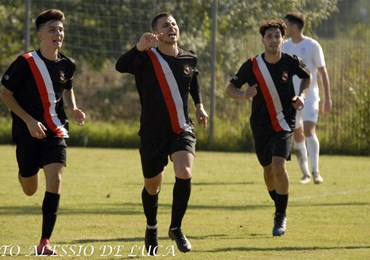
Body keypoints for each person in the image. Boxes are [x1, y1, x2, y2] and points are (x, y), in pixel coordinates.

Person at [115, 12, 208, 255]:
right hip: (152, 132)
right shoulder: (146, 58)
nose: (171, 28)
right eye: (165, 25)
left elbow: (193, 78)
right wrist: (139, 46)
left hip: (181, 128)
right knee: (152, 186)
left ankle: (176, 227)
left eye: (174, 24)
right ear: (156, 32)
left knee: (184, 171)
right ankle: (151, 226)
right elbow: (120, 66)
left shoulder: (189, 58)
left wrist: (199, 105)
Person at [0, 9, 85, 255]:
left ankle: (44, 242)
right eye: (52, 29)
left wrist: (74, 108)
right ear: (40, 34)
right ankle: (25, 172)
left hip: (56, 129)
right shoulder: (25, 62)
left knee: (55, 180)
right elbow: (5, 93)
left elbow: (67, 88)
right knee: (29, 188)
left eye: (60, 29)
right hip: (26, 131)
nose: (58, 34)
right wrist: (27, 120)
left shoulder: (68, 64)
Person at [225, 19, 311, 236]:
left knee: (278, 165)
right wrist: (244, 94)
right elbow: (229, 89)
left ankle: (280, 216)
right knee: (268, 170)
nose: (273, 40)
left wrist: (301, 96)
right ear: (263, 39)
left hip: (284, 122)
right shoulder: (252, 65)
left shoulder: (292, 62)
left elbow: (306, 78)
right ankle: (279, 203)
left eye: (277, 36)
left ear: (283, 39)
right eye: (269, 36)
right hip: (261, 125)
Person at [282, 12, 332, 184]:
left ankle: (316, 171)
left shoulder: (312, 45)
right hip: (291, 98)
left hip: (309, 96)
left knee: (309, 130)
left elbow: (322, 72)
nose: (284, 28)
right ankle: (305, 174)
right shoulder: (284, 46)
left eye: (286, 25)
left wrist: (327, 98)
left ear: (294, 27)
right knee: (297, 134)